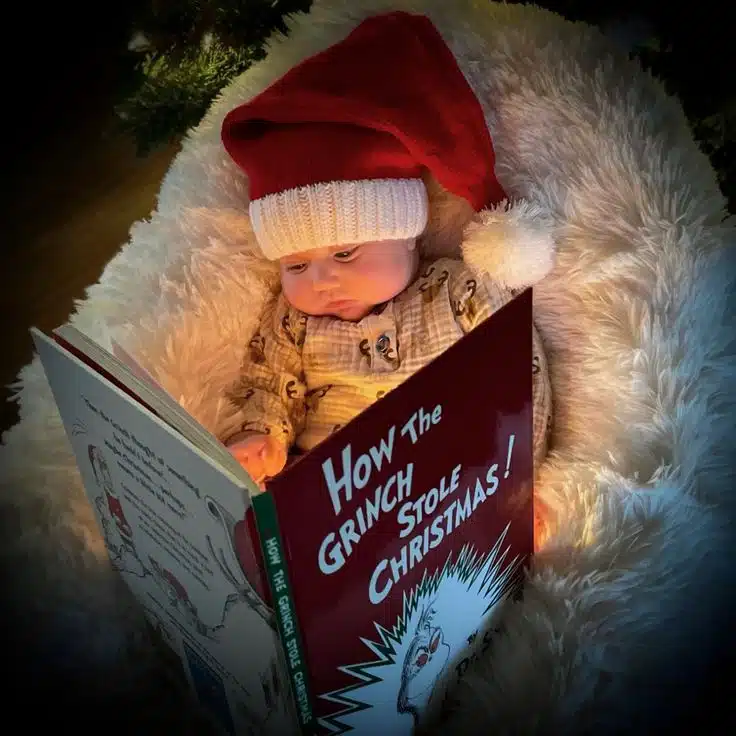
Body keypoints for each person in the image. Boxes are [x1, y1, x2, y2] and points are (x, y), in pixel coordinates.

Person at [218, 11, 554, 487]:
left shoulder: (459, 292)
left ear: (406, 231)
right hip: (333, 510)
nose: (321, 281)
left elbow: (518, 375)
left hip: (454, 490)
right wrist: (262, 437)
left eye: (345, 253)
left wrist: (523, 480)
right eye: (295, 264)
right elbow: (267, 382)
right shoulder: (293, 321)